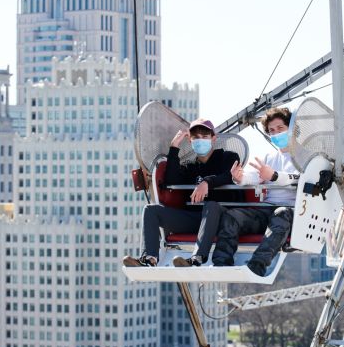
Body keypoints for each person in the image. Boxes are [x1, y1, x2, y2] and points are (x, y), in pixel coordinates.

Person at [190, 107, 300, 277]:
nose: (276, 133)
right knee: (232, 216)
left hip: (291, 211)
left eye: (280, 128)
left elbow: (300, 178)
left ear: (291, 129)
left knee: (281, 213)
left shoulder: (303, 157)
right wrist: (240, 178)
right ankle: (221, 263)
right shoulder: (269, 158)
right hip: (267, 210)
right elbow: (256, 176)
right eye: (271, 131)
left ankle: (257, 266)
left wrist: (275, 176)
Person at [123, 118, 242, 268]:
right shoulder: (190, 166)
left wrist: (207, 183)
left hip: (221, 218)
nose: (200, 140)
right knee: (151, 211)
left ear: (213, 138)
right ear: (190, 141)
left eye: (205, 137)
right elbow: (171, 181)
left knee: (211, 205)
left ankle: (197, 258)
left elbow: (229, 175)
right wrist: (174, 147)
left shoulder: (228, 157)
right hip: (194, 219)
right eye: (196, 138)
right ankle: (150, 258)